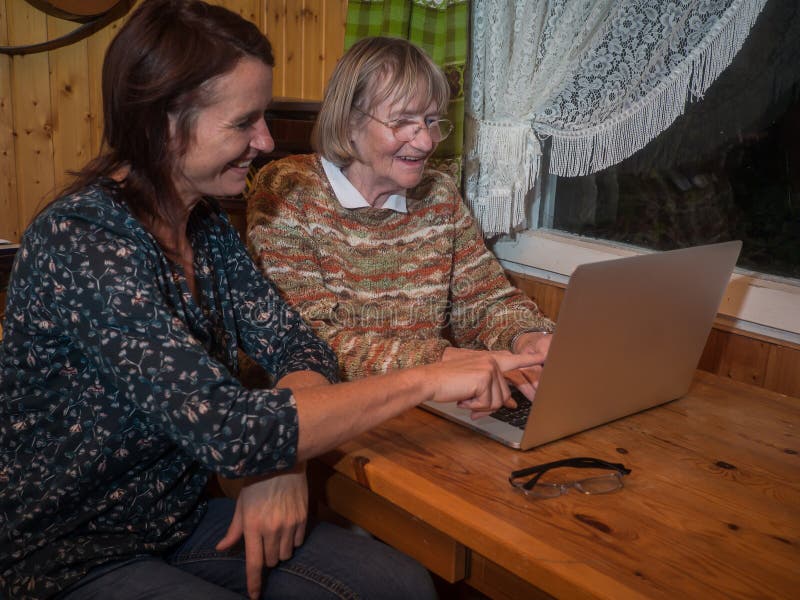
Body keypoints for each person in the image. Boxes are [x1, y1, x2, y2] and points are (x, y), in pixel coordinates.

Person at [0, 3, 537, 599]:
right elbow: (227, 429)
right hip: (69, 553)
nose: (266, 139)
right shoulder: (83, 241)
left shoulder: (204, 228)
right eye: (243, 122)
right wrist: (428, 378)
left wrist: (282, 461)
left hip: (173, 521)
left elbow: (296, 343)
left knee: (399, 583)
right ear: (163, 123)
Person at [247, 36, 555, 399]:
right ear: (348, 124)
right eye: (403, 122)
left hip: (422, 404)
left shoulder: (437, 194)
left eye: (429, 120)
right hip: (324, 412)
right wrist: (440, 362)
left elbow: (484, 301)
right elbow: (306, 340)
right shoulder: (288, 189)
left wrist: (526, 337)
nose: (425, 142)